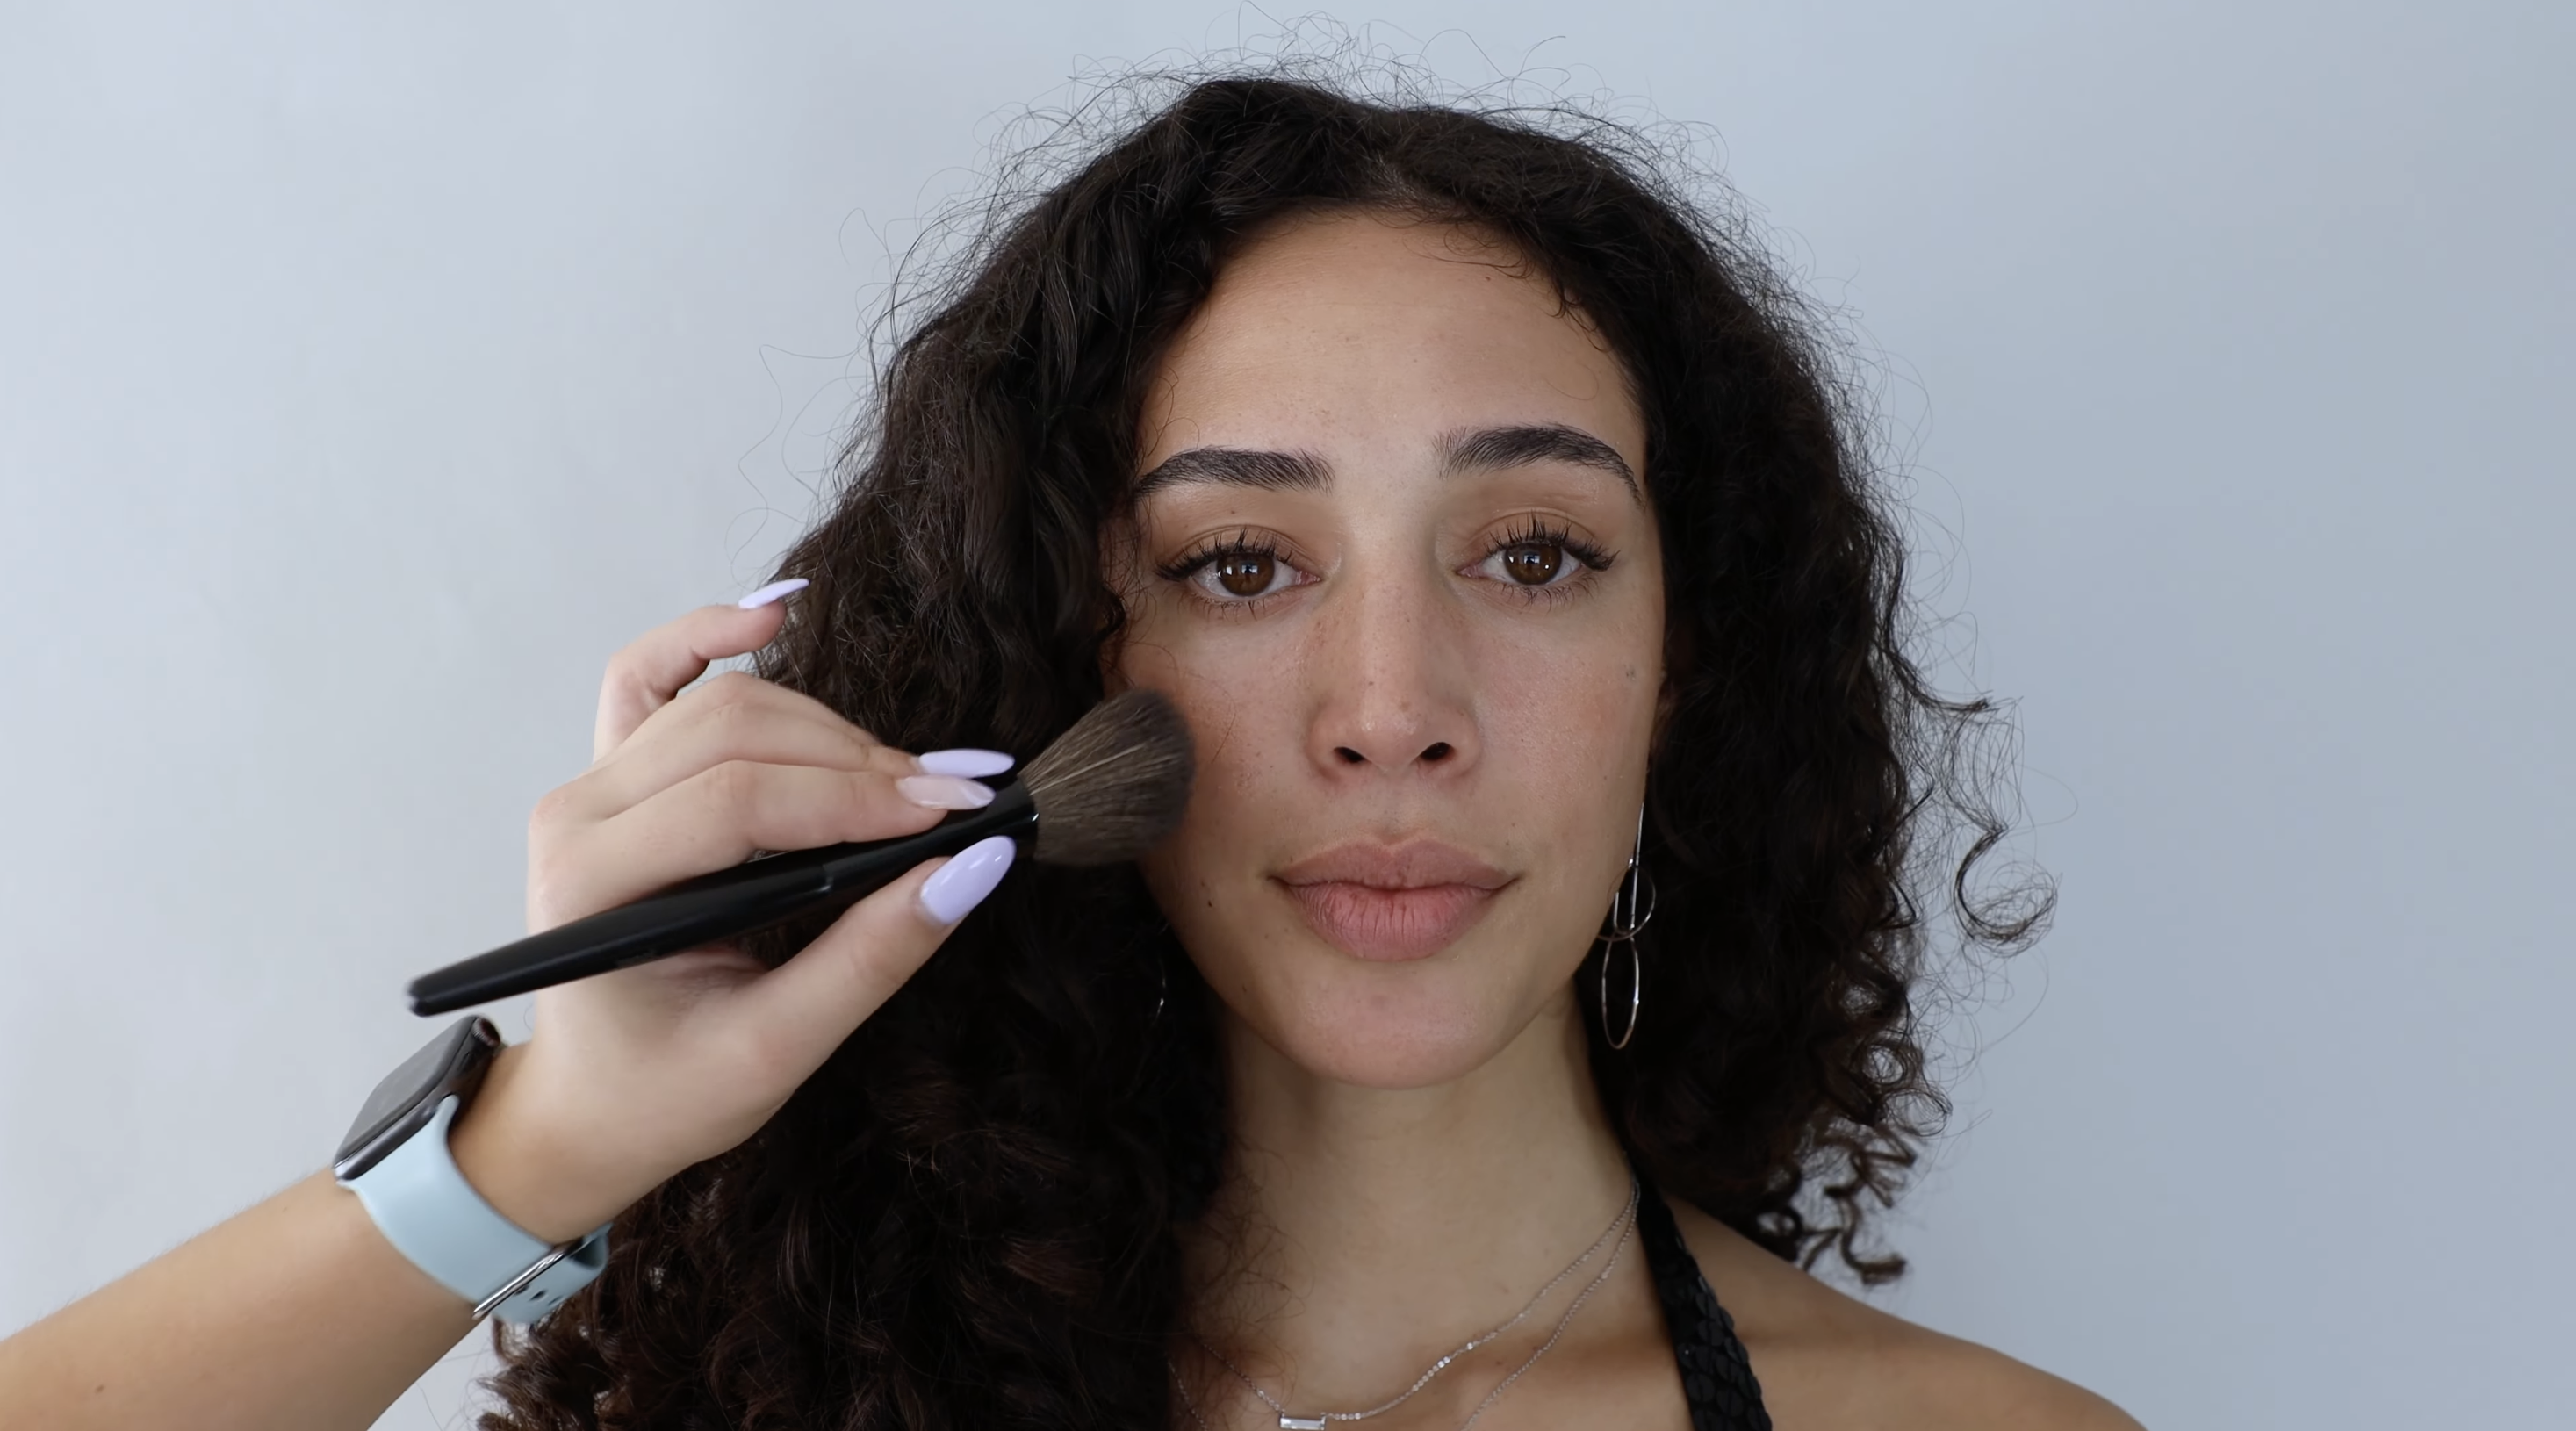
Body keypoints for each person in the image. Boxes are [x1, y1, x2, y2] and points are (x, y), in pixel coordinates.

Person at [0, 71, 2143, 1430]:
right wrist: (541, 1150)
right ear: (1065, 658)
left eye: (1531, 550)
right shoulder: (804, 1402)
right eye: (1237, 562)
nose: (1391, 704)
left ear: (1689, 664)